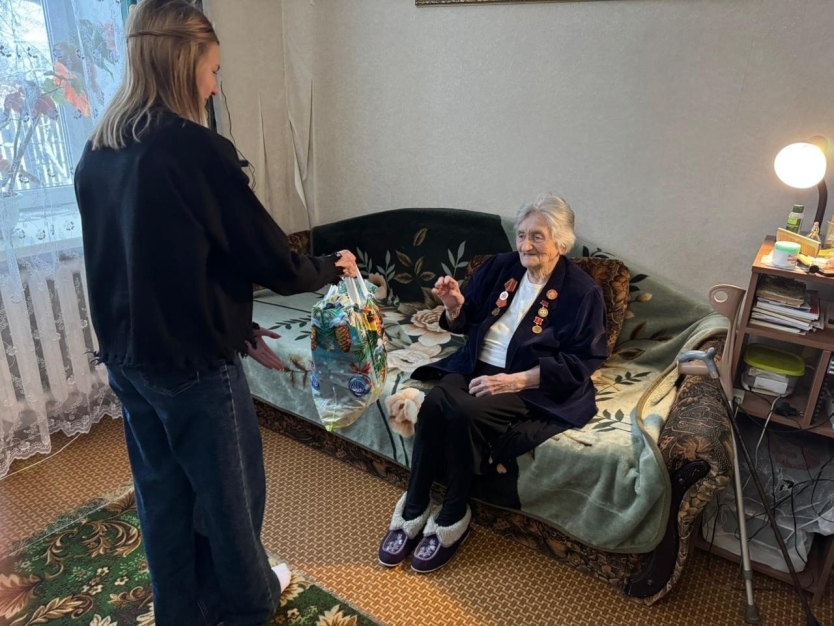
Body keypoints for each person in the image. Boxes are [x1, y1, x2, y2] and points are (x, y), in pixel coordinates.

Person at [73, 2, 357, 624]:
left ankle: (183, 611)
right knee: (231, 503)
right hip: (193, 367)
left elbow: (158, 266)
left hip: (128, 362)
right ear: (183, 64)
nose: (215, 87)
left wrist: (240, 326)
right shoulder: (194, 150)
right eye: (213, 71)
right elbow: (271, 259)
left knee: (163, 497)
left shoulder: (99, 150)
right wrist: (331, 269)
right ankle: (251, 607)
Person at [377, 193, 608, 573]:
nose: (525, 245)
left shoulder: (582, 292)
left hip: (533, 383)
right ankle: (414, 505)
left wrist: (514, 381)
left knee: (462, 412)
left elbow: (584, 360)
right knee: (433, 404)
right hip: (475, 365)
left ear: (561, 243)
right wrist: (453, 304)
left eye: (537, 237)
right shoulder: (501, 267)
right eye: (522, 235)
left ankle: (453, 514)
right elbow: (464, 320)